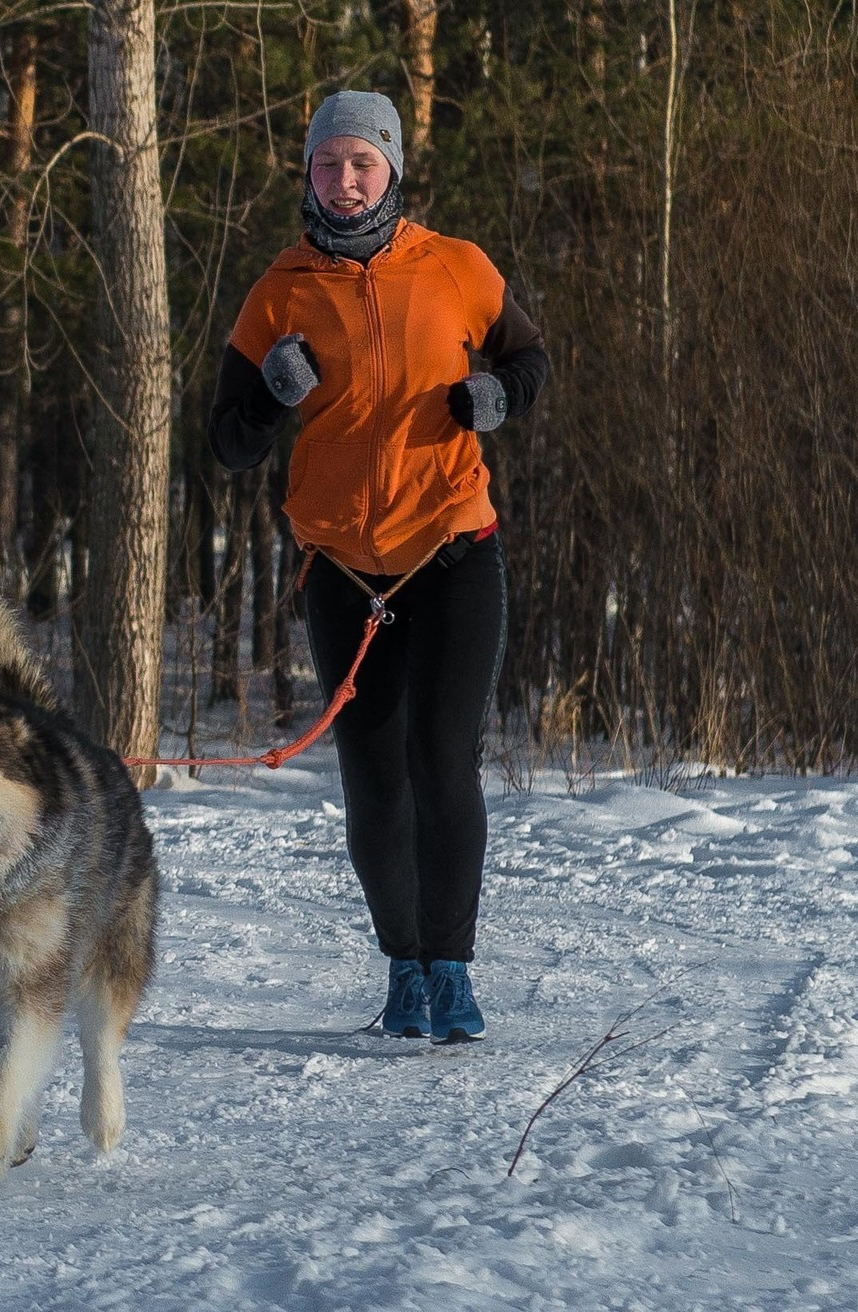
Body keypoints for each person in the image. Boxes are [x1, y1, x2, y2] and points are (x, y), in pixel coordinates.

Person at [206, 90, 548, 1044]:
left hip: (452, 551)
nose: (345, 180)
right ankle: (404, 966)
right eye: (328, 164)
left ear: (392, 170)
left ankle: (454, 969)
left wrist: (494, 398)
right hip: (346, 572)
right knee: (372, 780)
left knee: (445, 766)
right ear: (308, 173)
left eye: (362, 163)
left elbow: (528, 360)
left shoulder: (457, 268)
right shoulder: (281, 287)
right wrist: (273, 396)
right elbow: (230, 442)